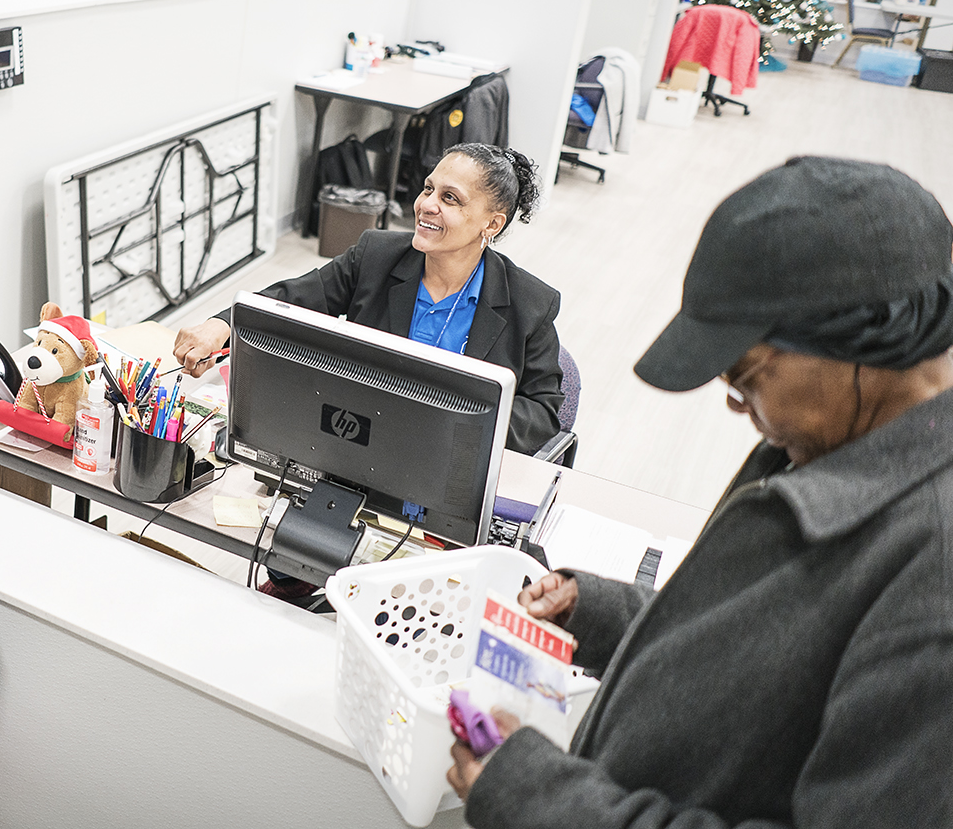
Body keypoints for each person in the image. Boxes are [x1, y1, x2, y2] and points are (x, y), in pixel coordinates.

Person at [447, 157, 953, 827]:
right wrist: (595, 611)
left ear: (860, 342)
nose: (740, 407)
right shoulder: (820, 447)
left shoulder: (933, 583)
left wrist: (542, 799)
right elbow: (761, 643)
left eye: (745, 375)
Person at [175, 143, 564, 454]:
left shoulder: (529, 304)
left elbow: (542, 414)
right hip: (357, 442)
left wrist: (454, 423)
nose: (426, 204)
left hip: (446, 459)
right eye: (428, 188)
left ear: (491, 223)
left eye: (450, 198)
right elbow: (292, 300)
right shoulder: (376, 255)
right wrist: (221, 325)